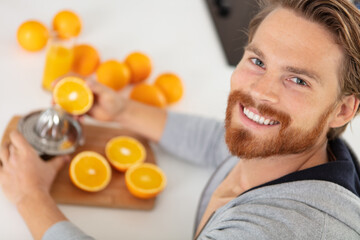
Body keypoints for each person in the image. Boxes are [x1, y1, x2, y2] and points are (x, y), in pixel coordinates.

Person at [1, 0, 360, 239]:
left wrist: (30, 195)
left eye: (298, 80)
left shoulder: (276, 230)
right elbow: (215, 141)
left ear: (343, 109)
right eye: (258, 61)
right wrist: (124, 111)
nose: (261, 93)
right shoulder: (298, 147)